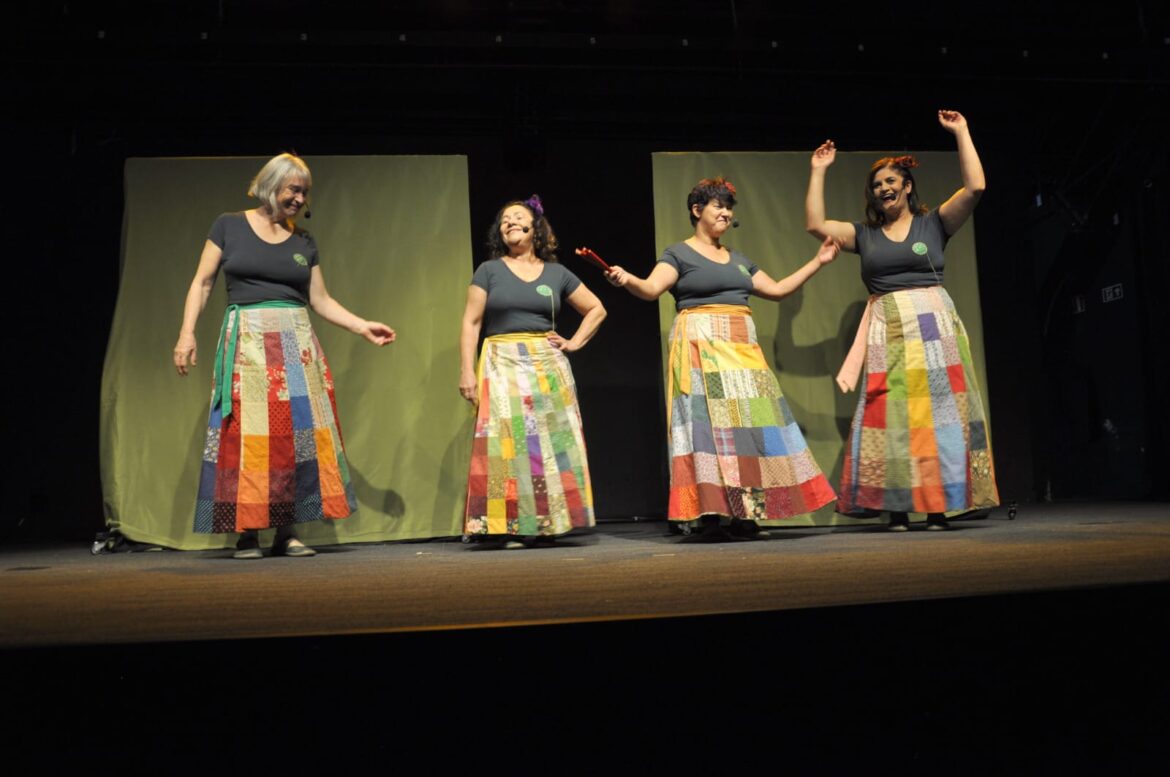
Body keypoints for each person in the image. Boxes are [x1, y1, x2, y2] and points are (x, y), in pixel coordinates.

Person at [174, 153, 396, 558]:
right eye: (293, 189)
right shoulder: (229, 225)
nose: (299, 198)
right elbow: (202, 284)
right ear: (271, 184)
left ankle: (286, 530)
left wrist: (362, 326)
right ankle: (248, 532)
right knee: (247, 435)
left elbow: (321, 300)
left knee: (295, 438)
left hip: (296, 345)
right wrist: (187, 333)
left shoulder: (303, 242)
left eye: (304, 192)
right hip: (248, 343)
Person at [604, 177, 839, 540]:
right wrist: (626, 279)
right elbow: (651, 289)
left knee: (750, 430)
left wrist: (818, 262)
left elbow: (776, 290)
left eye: (729, 207)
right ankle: (710, 515)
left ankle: (748, 513)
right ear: (697, 210)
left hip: (742, 349)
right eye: (718, 206)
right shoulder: (679, 254)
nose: (726, 213)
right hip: (700, 344)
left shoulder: (740, 260)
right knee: (705, 431)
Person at [805, 110, 999, 531]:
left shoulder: (935, 224)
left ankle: (936, 507)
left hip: (933, 328)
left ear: (907, 186)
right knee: (889, 415)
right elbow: (815, 224)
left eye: (890, 182)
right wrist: (819, 170)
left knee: (939, 416)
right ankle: (896, 507)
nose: (883, 189)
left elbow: (977, 186)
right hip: (887, 329)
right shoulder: (865, 235)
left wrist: (962, 131)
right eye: (876, 186)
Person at [459, 195, 606, 548]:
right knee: (506, 444)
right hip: (502, 360)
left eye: (518, 216)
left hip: (546, 364)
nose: (509, 221)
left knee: (549, 446)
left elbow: (596, 309)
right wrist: (467, 372)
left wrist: (574, 342)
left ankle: (546, 521)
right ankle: (507, 523)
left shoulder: (557, 273)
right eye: (504, 219)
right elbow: (471, 322)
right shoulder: (489, 271)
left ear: (535, 228)